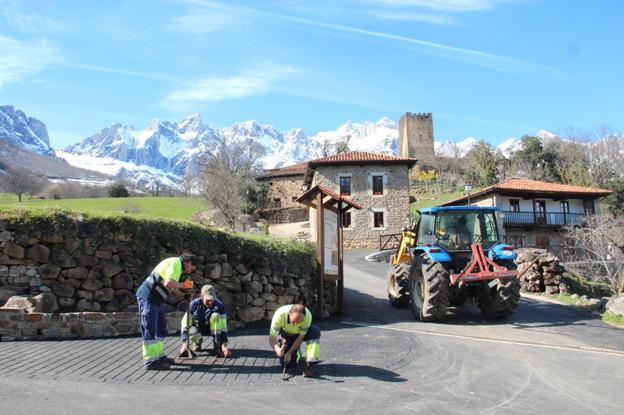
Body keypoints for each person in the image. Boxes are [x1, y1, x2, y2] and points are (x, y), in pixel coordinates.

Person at [135, 253, 197, 370]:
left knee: (161, 327)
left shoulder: (177, 267)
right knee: (150, 327)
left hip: (155, 301)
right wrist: (184, 285)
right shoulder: (175, 263)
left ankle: (158, 356)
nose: (190, 271)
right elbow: (169, 283)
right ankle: (150, 361)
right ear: (188, 262)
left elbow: (171, 287)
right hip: (148, 298)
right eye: (192, 268)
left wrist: (185, 295)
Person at [269, 304, 321, 378]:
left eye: (300, 321)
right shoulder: (279, 315)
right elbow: (272, 337)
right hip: (287, 335)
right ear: (289, 314)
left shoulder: (307, 316)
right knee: (287, 364)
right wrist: (277, 349)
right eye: (294, 321)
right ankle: (294, 351)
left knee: (314, 331)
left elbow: (300, 337)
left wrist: (289, 353)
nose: (296, 324)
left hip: (300, 334)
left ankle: (311, 364)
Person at [179, 284, 231, 358]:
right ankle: (197, 342)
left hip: (213, 329)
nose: (210, 302)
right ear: (201, 297)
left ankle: (217, 346)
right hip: (197, 328)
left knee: (216, 316)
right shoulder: (193, 305)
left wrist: (224, 344)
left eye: (212, 299)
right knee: (193, 333)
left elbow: (223, 326)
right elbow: (185, 323)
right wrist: (184, 344)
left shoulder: (219, 305)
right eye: (207, 300)